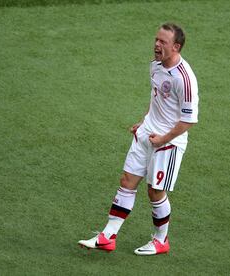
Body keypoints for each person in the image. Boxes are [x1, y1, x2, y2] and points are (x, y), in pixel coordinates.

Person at [78, 23, 199, 255]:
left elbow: (188, 121)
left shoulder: (185, 79)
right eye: (156, 39)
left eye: (162, 42)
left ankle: (161, 241)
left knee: (155, 191)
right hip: (146, 134)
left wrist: (163, 138)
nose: (156, 44)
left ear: (176, 47)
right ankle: (107, 236)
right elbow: (156, 99)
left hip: (169, 144)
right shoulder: (155, 66)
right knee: (127, 181)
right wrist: (144, 122)